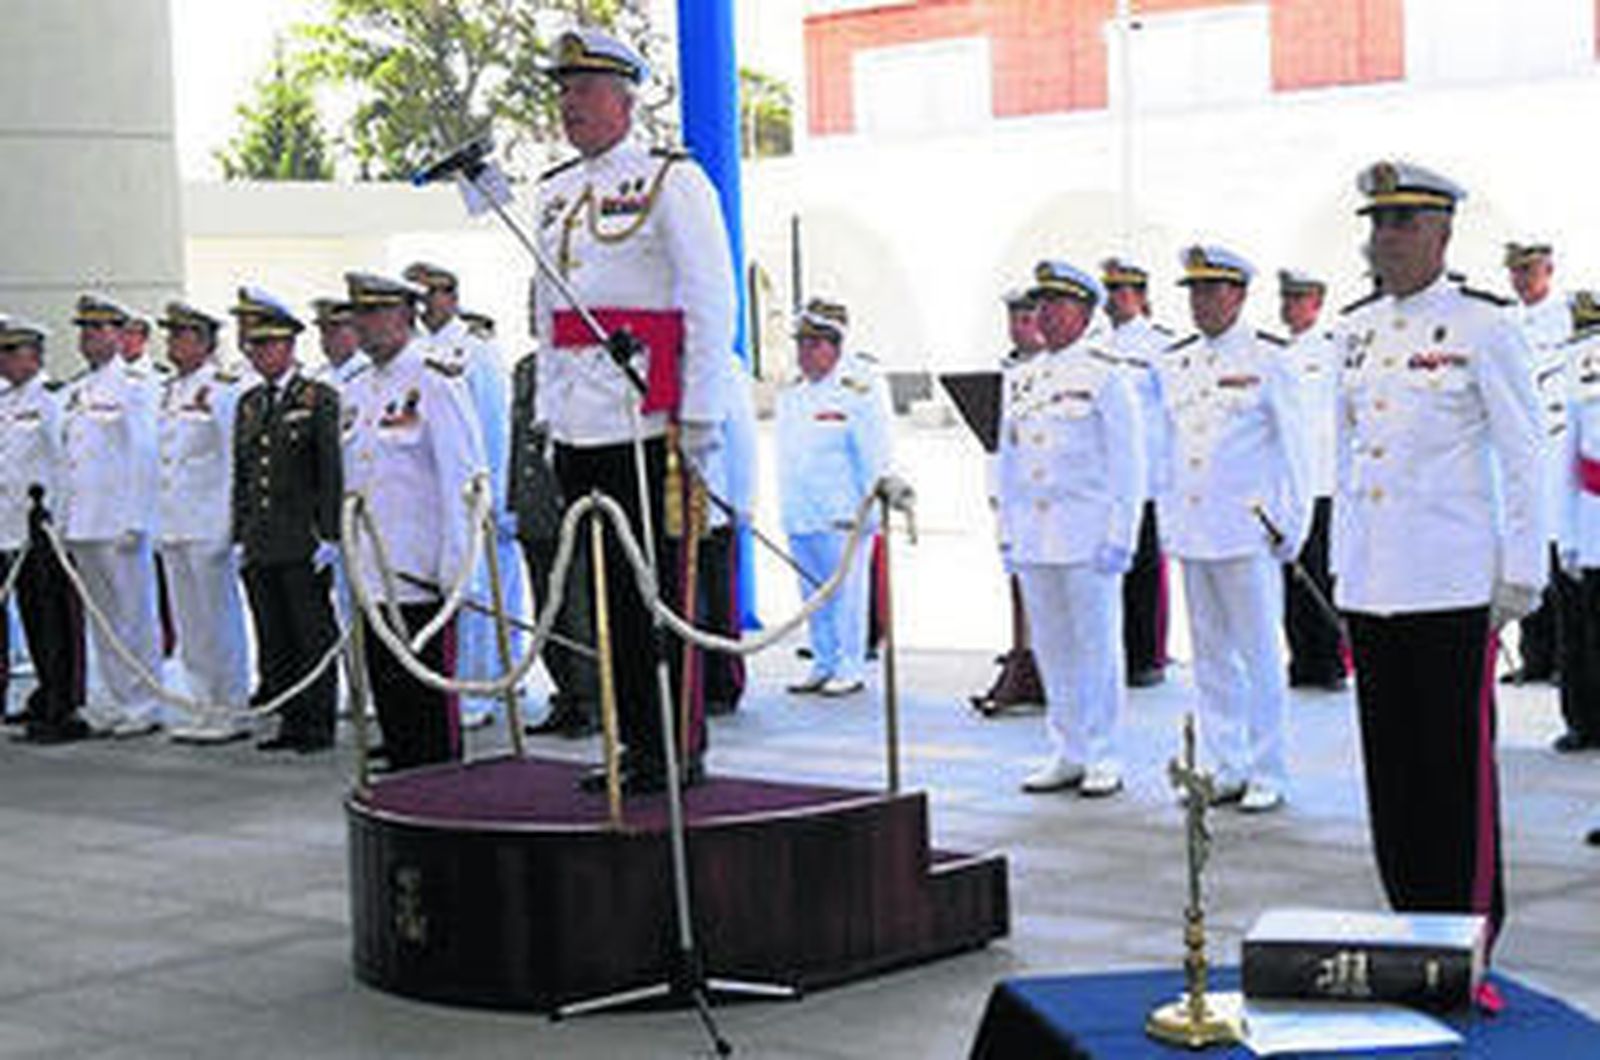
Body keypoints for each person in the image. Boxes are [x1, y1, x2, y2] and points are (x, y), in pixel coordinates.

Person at [1334, 160, 1542, 954]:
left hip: (1452, 585)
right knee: (1392, 772)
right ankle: (1410, 924)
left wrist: (1520, 569)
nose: (1383, 238)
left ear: (1442, 234)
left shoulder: (1486, 326)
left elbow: (1524, 454)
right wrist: (1341, 568)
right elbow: (1346, 460)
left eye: (1401, 223)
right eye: (1376, 223)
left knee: (1455, 773)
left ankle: (1467, 939)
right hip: (1376, 584)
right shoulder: (1354, 330)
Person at [533, 28, 735, 793]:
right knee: (605, 593)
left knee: (657, 593)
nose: (569, 104)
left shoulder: (670, 180)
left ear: (624, 97)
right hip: (580, 420)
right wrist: (551, 416)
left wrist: (702, 414)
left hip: (647, 416)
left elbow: (709, 303)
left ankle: (676, 744)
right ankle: (633, 743)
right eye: (563, 91)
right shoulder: (552, 192)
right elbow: (548, 314)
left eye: (583, 90)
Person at [1157, 246, 1308, 813]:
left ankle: (1269, 768)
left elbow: (1297, 450)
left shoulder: (1269, 358)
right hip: (1196, 527)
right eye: (1193, 292)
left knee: (1260, 653)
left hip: (1248, 529)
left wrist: (1294, 525)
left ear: (1239, 295)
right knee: (1211, 655)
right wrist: (1168, 517)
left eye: (1212, 291)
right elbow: (1168, 448)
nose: (1200, 302)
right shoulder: (1176, 362)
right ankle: (1227, 763)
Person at [1004, 262, 1142, 797]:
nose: (1045, 315)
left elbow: (1127, 462)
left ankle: (1105, 753)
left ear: (1085, 313)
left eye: (1058, 305)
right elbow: (1009, 462)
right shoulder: (1021, 377)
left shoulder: (1106, 372)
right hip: (1037, 534)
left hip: (1088, 534)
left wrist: (1121, 534)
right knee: (1054, 648)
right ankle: (1067, 748)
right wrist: (1007, 532)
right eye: (1040, 305)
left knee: (1097, 648)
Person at [342, 271, 486, 771]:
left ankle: (439, 782)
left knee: (428, 694)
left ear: (407, 315)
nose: (365, 325)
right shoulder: (358, 387)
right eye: (360, 314)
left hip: (420, 568)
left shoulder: (434, 378)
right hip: (373, 566)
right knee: (388, 686)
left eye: (377, 313)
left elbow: (463, 479)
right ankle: (406, 775)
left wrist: (456, 566)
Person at [404, 263, 520, 731]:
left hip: (473, 493)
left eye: (430, 294)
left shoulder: (474, 352)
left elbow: (494, 427)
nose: (423, 305)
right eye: (417, 296)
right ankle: (453, 686)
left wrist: (492, 495)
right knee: (447, 596)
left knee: (477, 597)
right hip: (432, 499)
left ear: (451, 296)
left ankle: (481, 691)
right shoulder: (414, 351)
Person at [231, 288, 343, 754]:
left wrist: (330, 534)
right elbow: (242, 474)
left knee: (310, 633)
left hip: (302, 538)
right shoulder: (251, 403)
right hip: (262, 539)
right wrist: (239, 533)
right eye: (254, 347)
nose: (260, 354)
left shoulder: (318, 398)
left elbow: (331, 471)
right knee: (273, 634)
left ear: (290, 347)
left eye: (269, 345)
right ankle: (289, 720)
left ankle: (317, 723)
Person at [60, 294, 167, 737]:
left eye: (98, 329)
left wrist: (139, 518)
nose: (89, 338)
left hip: (120, 521)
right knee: (101, 619)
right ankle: (112, 699)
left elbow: (143, 456)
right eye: (85, 330)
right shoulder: (76, 391)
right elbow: (69, 461)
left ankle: (143, 702)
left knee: (133, 616)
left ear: (121, 336)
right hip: (85, 521)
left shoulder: (138, 387)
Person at [777, 299, 892, 698]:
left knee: (847, 595)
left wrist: (873, 510)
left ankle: (849, 665)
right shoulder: (792, 392)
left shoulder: (858, 387)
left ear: (836, 345)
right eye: (801, 343)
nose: (805, 352)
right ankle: (823, 661)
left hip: (842, 512)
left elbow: (875, 453)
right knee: (812, 593)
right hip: (802, 510)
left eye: (814, 343)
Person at [154, 302, 252, 745]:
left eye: (181, 335)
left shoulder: (222, 388)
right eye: (171, 335)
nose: (172, 343)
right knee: (190, 623)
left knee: (217, 621)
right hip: (175, 522)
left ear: (205, 343)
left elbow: (236, 459)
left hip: (208, 521)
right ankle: (200, 704)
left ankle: (228, 706)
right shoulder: (170, 390)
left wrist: (230, 523)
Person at [0, 320, 89, 743]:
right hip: (13, 529)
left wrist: (62, 521)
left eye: (10, 352)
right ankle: (44, 694)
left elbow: (63, 465)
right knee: (33, 617)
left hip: (46, 529)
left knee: (56, 620)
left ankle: (63, 702)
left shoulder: (53, 399)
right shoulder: (6, 400)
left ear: (33, 356)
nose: (2, 360)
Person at [509, 341, 599, 737]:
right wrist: (514, 499)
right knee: (547, 611)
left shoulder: (587, 363)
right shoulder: (528, 367)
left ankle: (589, 700)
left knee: (578, 612)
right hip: (537, 507)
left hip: (572, 506)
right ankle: (565, 692)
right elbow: (517, 438)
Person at [971, 289, 1047, 716]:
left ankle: (1040, 665)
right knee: (1016, 578)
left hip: (1048, 503)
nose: (1019, 328)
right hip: (1009, 496)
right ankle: (1023, 656)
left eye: (1027, 319)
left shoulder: (1059, 372)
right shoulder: (1007, 372)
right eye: (1014, 319)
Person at [1101, 257, 1172, 688]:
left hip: (1146, 475)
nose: (1115, 300)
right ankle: (1117, 652)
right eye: (1110, 291)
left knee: (1146, 570)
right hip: (1107, 479)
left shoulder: (1159, 345)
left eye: (1124, 291)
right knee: (1110, 568)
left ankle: (1147, 656)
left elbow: (1170, 410)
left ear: (1142, 297)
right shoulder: (1098, 344)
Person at [1502, 241, 1570, 689]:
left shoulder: (1568, 318)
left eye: (1529, 270)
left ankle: (1567, 660)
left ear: (1548, 269)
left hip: (1562, 452)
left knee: (1563, 567)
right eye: (1515, 272)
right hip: (1524, 456)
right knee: (1527, 560)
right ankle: (1536, 657)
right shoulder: (1506, 322)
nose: (1522, 280)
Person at [1276, 268, 1348, 691]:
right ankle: (1301, 658)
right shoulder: (1278, 353)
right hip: (1288, 484)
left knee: (1322, 575)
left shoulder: (1331, 351)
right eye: (1286, 299)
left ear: (1317, 303)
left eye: (1299, 299)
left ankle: (1329, 661)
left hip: (1323, 481)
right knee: (1292, 576)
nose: (1290, 307)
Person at [1556, 290, 1600, 754]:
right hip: (1593, 529)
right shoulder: (1581, 371)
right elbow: (1566, 461)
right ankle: (1585, 720)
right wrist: (1567, 536)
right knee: (1585, 637)